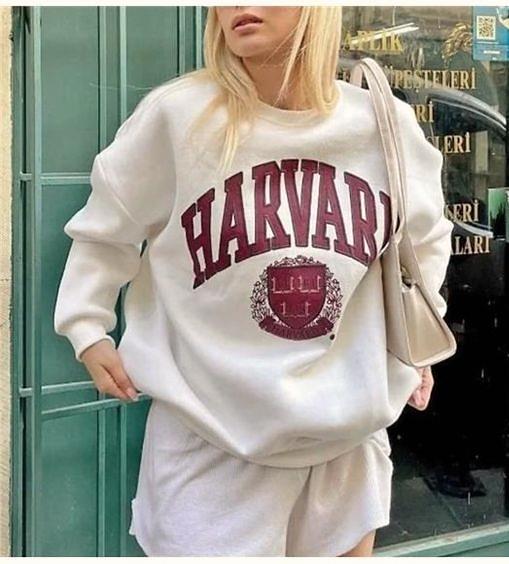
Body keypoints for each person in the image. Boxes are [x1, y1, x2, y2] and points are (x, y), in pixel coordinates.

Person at [53, 6, 453, 557]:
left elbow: (426, 239)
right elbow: (107, 227)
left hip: (346, 445)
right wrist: (86, 326)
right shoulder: (179, 118)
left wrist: (415, 349)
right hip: (211, 445)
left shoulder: (382, 126)